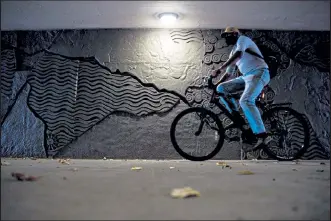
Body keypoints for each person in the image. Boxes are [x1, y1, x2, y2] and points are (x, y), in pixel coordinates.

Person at [211, 27, 272, 150]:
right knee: (221, 89)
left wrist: (220, 68)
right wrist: (216, 85)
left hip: (259, 73)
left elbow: (239, 55)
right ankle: (237, 117)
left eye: (227, 36)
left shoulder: (242, 40)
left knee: (245, 100)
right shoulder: (233, 51)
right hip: (247, 77)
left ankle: (263, 135)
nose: (225, 40)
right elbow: (229, 74)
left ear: (234, 34)